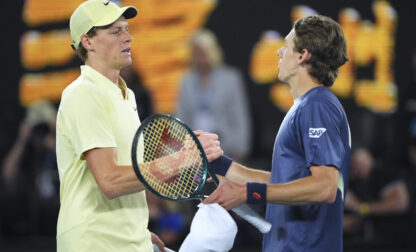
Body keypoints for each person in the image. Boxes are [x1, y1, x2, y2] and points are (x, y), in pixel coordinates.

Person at [56, 1, 223, 251]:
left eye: (126, 29)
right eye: (115, 32)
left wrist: (138, 233)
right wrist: (180, 160)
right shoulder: (83, 94)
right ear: (87, 42)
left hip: (127, 241)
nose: (128, 37)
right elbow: (111, 180)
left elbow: (131, 174)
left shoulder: (127, 96)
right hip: (94, 242)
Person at [203, 15, 350, 252]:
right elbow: (285, 183)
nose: (279, 53)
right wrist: (219, 164)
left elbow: (324, 188)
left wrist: (248, 193)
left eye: (286, 46)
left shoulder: (318, 106)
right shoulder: (305, 107)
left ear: (302, 55)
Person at [176, 29, 252, 161]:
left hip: (225, 146)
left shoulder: (230, 78)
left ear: (212, 51)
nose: (200, 57)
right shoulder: (186, 81)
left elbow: (239, 116)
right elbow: (181, 116)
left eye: (203, 52)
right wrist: (178, 148)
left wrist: (240, 148)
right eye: (197, 53)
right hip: (194, 150)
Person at [343, 148, 411, 247]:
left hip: (395, 241)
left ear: (368, 158)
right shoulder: (355, 182)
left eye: (357, 162)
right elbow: (358, 218)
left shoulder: (384, 173)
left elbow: (400, 203)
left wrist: (361, 207)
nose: (355, 167)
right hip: (367, 240)